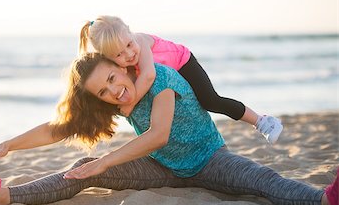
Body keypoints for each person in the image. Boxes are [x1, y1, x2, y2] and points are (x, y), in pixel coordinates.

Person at [0, 53, 338, 205]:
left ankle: (325, 201)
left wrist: (105, 163)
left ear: (122, 66)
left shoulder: (162, 79)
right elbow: (59, 128)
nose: (113, 91)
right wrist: (9, 144)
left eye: (112, 78)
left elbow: (157, 134)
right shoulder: (112, 100)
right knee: (82, 167)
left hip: (210, 160)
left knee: (262, 179)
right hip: (163, 169)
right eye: (102, 91)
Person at [79, 15, 283, 144]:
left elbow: (149, 75)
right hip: (169, 79)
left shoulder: (140, 41)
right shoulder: (120, 63)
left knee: (210, 101)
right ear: (108, 58)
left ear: (131, 33)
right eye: (119, 55)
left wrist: (129, 104)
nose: (129, 54)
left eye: (129, 45)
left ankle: (262, 121)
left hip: (183, 64)